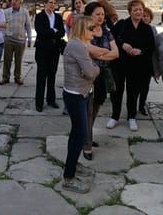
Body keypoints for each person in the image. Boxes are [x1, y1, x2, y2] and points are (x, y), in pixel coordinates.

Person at [62, 15, 99, 194]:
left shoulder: (80, 44)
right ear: (83, 29)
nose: (94, 31)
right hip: (76, 96)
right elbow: (91, 72)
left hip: (82, 93)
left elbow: (88, 71)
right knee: (81, 135)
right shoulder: (77, 46)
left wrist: (89, 70)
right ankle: (68, 178)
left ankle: (73, 165)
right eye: (91, 28)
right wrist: (95, 68)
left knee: (77, 134)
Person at [107, 0, 155, 131]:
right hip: (119, 64)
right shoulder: (122, 24)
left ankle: (131, 117)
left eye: (140, 9)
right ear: (130, 11)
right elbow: (111, 37)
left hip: (137, 65)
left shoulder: (146, 28)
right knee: (117, 91)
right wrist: (123, 45)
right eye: (135, 10)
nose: (138, 12)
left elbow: (151, 46)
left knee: (133, 92)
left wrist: (140, 51)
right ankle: (115, 116)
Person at [82, 2, 119, 161]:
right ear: (90, 15)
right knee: (88, 110)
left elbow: (116, 53)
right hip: (89, 75)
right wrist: (104, 54)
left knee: (96, 107)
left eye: (103, 14)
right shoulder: (84, 31)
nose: (101, 17)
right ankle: (86, 144)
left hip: (103, 75)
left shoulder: (106, 31)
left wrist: (99, 55)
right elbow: (88, 51)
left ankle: (87, 135)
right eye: (97, 14)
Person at [34, 0, 65, 112]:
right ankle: (39, 103)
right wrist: (53, 31)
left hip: (54, 50)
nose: (52, 5)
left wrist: (52, 32)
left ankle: (51, 100)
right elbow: (40, 32)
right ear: (45, 3)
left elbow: (61, 32)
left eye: (54, 3)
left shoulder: (57, 17)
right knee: (41, 77)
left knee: (52, 76)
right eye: (50, 2)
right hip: (42, 50)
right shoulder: (40, 16)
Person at [0, 0, 32, 86]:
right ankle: (5, 77)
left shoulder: (25, 12)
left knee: (18, 60)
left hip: (20, 40)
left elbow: (28, 26)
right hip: (8, 39)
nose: (13, 1)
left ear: (21, 1)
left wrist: (29, 38)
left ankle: (17, 77)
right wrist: (3, 36)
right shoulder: (6, 12)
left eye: (15, 0)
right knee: (7, 59)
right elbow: (2, 25)